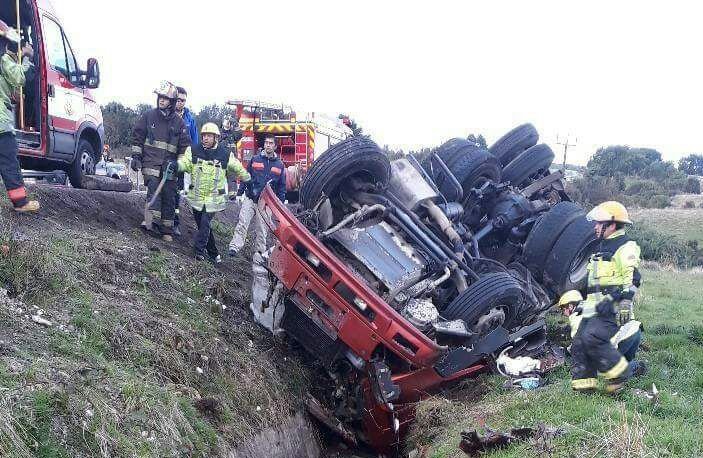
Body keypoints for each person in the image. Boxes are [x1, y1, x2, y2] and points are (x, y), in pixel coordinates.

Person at [569, 201, 642, 394]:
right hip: (594, 309)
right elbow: (596, 286)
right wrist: (583, 305)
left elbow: (633, 279)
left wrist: (624, 301)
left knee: (593, 337)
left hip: (613, 309)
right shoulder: (601, 248)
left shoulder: (625, 247)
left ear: (611, 225)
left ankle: (620, 375)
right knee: (578, 343)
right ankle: (585, 388)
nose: (595, 226)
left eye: (599, 223)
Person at [177, 122, 250, 263]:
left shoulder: (224, 153)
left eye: (209, 136)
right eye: (204, 136)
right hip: (196, 196)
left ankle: (198, 252)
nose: (205, 138)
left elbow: (237, 168)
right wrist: (177, 166)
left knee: (205, 222)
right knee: (203, 225)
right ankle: (214, 253)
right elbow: (185, 163)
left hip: (214, 197)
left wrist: (248, 178)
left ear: (216, 138)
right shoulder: (193, 150)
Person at [130, 81, 191, 242]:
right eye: (160, 97)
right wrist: (136, 157)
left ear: (171, 101)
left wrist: (179, 165)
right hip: (150, 164)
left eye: (165, 98)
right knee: (153, 193)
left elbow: (185, 148)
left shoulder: (179, 123)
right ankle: (151, 225)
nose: (161, 100)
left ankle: (166, 230)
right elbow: (138, 137)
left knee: (169, 198)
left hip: (169, 168)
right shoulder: (148, 116)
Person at [0, 21, 39, 212]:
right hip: (0, 122)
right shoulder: (3, 58)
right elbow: (20, 77)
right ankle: (20, 203)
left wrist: (11, 94)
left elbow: (8, 85)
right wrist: (26, 58)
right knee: (8, 160)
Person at [558, 289, 644, 373]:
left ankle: (635, 367)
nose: (563, 313)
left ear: (570, 306)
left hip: (623, 339)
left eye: (562, 309)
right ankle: (626, 362)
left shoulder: (576, 318)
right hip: (635, 330)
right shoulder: (591, 302)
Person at [228, 135, 286, 257]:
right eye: (266, 143)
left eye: (271, 143)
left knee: (262, 229)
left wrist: (279, 206)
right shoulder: (255, 159)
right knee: (242, 222)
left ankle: (259, 253)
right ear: (264, 145)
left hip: (265, 203)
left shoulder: (280, 165)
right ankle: (234, 247)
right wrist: (239, 193)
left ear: (275, 146)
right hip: (250, 198)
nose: (268, 145)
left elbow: (281, 187)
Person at [173, 86, 198, 237]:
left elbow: (195, 142)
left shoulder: (190, 119)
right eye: (178, 100)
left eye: (183, 100)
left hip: (182, 161)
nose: (181, 103)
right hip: (166, 158)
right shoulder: (166, 115)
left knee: (177, 192)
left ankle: (175, 223)